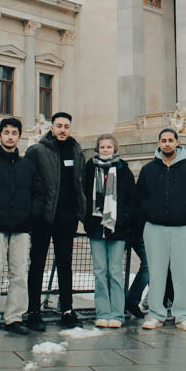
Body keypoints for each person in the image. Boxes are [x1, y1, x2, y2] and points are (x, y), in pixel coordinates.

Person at [0, 117, 45, 336]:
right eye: (6, 132)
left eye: (14, 133)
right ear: (0, 135)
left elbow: (39, 193)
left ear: (19, 136)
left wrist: (31, 213)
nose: (10, 137)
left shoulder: (28, 165)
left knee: (19, 273)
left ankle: (14, 317)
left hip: (21, 226)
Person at [137, 128, 186, 331]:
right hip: (154, 228)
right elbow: (140, 197)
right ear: (158, 143)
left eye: (170, 140)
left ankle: (184, 315)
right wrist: (149, 213)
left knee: (182, 275)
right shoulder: (148, 169)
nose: (167, 143)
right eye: (163, 140)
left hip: (182, 228)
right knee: (156, 274)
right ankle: (155, 314)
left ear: (177, 142)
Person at [24, 111, 86, 330]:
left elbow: (79, 183)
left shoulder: (76, 151)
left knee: (65, 263)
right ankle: (33, 310)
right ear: (51, 127)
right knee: (37, 263)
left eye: (66, 126)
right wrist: (35, 210)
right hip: (43, 216)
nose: (62, 130)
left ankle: (67, 309)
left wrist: (80, 211)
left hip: (67, 216)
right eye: (59, 126)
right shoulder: (37, 151)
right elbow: (29, 182)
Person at [82, 134, 136, 328]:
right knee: (99, 272)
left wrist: (123, 218)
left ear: (115, 149)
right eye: (102, 147)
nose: (105, 150)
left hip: (117, 229)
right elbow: (83, 195)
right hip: (96, 228)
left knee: (115, 272)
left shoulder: (123, 170)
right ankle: (103, 313)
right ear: (97, 149)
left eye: (109, 147)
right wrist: (87, 219)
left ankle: (117, 314)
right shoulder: (90, 169)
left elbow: (131, 199)